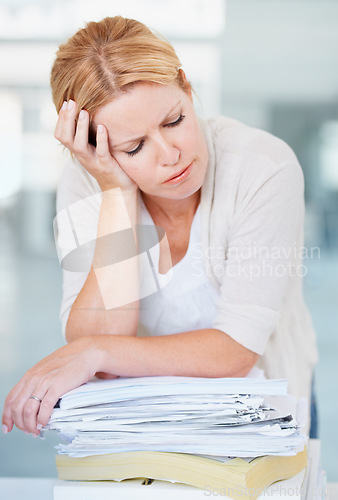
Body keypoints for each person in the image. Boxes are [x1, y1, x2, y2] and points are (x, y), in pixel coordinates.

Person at [2, 16, 318, 439]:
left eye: (174, 121)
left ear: (187, 87)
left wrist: (98, 352)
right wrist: (116, 193)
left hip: (264, 411)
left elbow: (236, 351)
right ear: (97, 150)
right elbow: (99, 344)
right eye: (133, 147)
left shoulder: (263, 167)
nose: (171, 155)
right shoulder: (86, 182)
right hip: (145, 417)